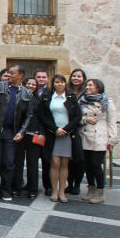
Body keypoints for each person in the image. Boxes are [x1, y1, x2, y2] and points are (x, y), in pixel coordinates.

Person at [0, 65, 33, 202]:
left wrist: (22, 132)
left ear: (20, 75)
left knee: (9, 163)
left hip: (11, 133)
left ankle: (5, 189)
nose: (9, 75)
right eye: (9, 73)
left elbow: (28, 115)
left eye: (12, 73)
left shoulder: (26, 93)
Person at [39, 74, 83, 203]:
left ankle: (62, 192)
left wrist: (66, 129)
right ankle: (54, 191)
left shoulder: (71, 98)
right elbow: (43, 116)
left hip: (67, 135)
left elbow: (77, 116)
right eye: (57, 82)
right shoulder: (47, 98)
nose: (60, 84)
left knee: (65, 164)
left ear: (65, 84)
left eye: (62, 82)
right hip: (53, 135)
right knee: (54, 163)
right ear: (53, 84)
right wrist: (55, 129)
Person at [79, 79, 117, 204]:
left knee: (96, 164)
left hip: (100, 137)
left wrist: (112, 139)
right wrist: (86, 119)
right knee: (88, 166)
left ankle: (100, 192)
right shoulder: (82, 100)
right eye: (87, 85)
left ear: (98, 87)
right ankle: (91, 189)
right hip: (85, 136)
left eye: (90, 85)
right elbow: (77, 118)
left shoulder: (107, 102)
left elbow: (112, 121)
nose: (87, 87)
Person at [20, 77, 47, 199]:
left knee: (32, 162)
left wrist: (42, 132)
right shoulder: (18, 97)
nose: (31, 86)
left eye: (33, 85)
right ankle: (18, 186)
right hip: (20, 134)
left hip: (34, 134)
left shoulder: (39, 100)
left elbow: (42, 118)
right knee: (18, 161)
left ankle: (33, 189)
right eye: (28, 84)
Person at [66, 68, 88, 194]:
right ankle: (69, 184)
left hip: (81, 130)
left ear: (83, 79)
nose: (76, 78)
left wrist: (83, 119)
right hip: (68, 129)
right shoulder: (66, 91)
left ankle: (77, 185)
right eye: (74, 76)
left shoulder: (86, 93)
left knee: (80, 159)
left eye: (79, 76)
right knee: (69, 159)